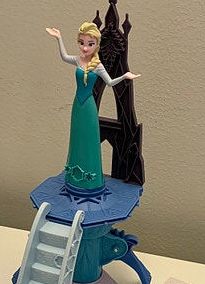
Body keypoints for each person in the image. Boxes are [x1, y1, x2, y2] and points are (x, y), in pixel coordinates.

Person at [46, 22, 140, 190]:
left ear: (97, 45)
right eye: (81, 43)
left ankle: (90, 179)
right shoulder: (77, 60)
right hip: (78, 105)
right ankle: (74, 176)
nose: (85, 47)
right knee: (77, 137)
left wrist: (124, 76)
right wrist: (59, 38)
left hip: (89, 106)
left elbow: (110, 83)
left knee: (89, 139)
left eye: (90, 44)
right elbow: (64, 57)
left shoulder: (98, 66)